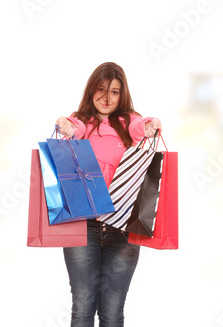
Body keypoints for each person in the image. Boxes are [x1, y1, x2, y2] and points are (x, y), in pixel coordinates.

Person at [55, 62, 162, 327]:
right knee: (82, 307)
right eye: (101, 90)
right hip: (83, 224)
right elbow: (74, 126)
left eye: (114, 92)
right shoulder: (83, 122)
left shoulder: (128, 122)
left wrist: (150, 125)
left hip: (123, 227)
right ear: (92, 90)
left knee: (113, 311)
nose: (106, 98)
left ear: (121, 95)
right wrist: (65, 125)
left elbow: (141, 126)